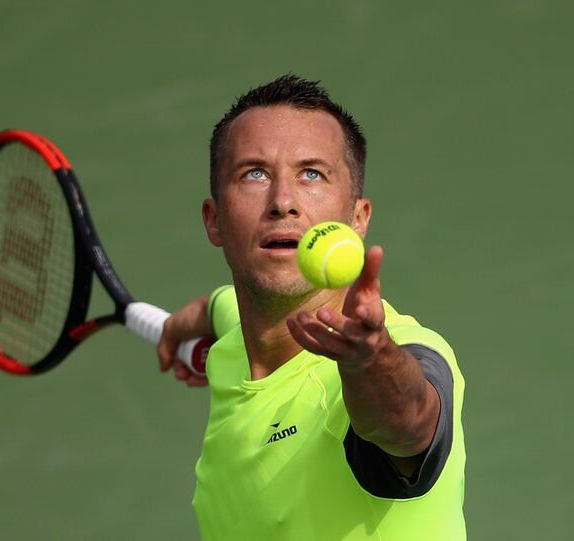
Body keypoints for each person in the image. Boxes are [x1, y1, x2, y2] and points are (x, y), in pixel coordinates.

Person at [157, 74, 466, 540]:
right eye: (254, 173)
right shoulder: (237, 332)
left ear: (357, 218)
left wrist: (371, 360)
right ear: (214, 219)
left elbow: (408, 424)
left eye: (312, 174)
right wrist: (188, 320)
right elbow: (224, 308)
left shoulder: (398, 352)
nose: (283, 202)